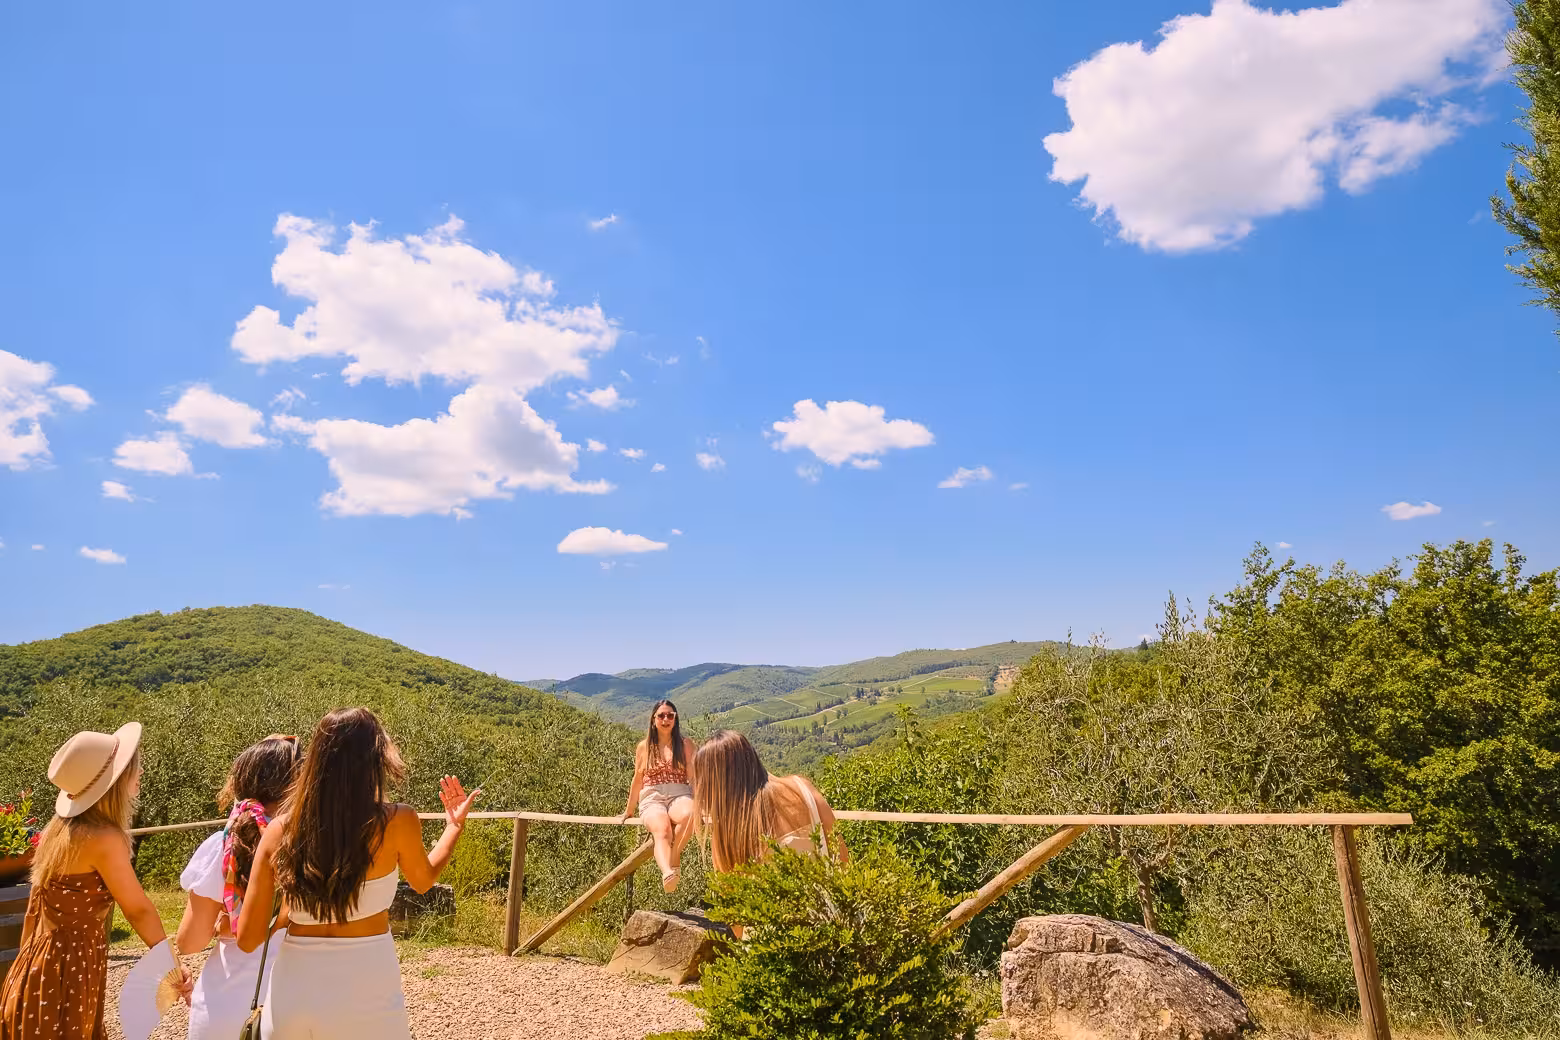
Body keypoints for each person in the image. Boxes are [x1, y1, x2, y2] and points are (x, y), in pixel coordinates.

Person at [235, 708, 479, 1040]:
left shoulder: (279, 831)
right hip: (366, 984)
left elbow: (248, 939)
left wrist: (285, 916)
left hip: (292, 990)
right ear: (375, 760)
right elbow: (423, 881)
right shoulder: (397, 821)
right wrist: (452, 828)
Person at [0, 722, 192, 1040]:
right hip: (68, 975)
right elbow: (137, 909)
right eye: (133, 766)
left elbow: (35, 913)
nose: (140, 771)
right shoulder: (104, 837)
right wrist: (172, 967)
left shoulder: (58, 832)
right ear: (113, 782)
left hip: (37, 970)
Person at [174, 735, 300, 1040]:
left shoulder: (221, 847)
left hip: (222, 1008)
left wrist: (227, 921)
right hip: (296, 1004)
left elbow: (189, 942)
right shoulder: (312, 849)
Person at [683, 728, 846, 875]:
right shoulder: (802, 789)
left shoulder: (728, 832)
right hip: (823, 905)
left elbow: (728, 892)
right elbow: (842, 858)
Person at [619, 700, 698, 892]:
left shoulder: (686, 744)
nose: (666, 719)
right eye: (661, 715)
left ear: (675, 719)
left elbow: (694, 778)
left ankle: (673, 857)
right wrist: (628, 810)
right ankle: (667, 873)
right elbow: (637, 780)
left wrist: (700, 803)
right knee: (662, 830)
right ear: (653, 719)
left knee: (690, 815)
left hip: (680, 792)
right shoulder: (644, 747)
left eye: (670, 715)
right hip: (651, 796)